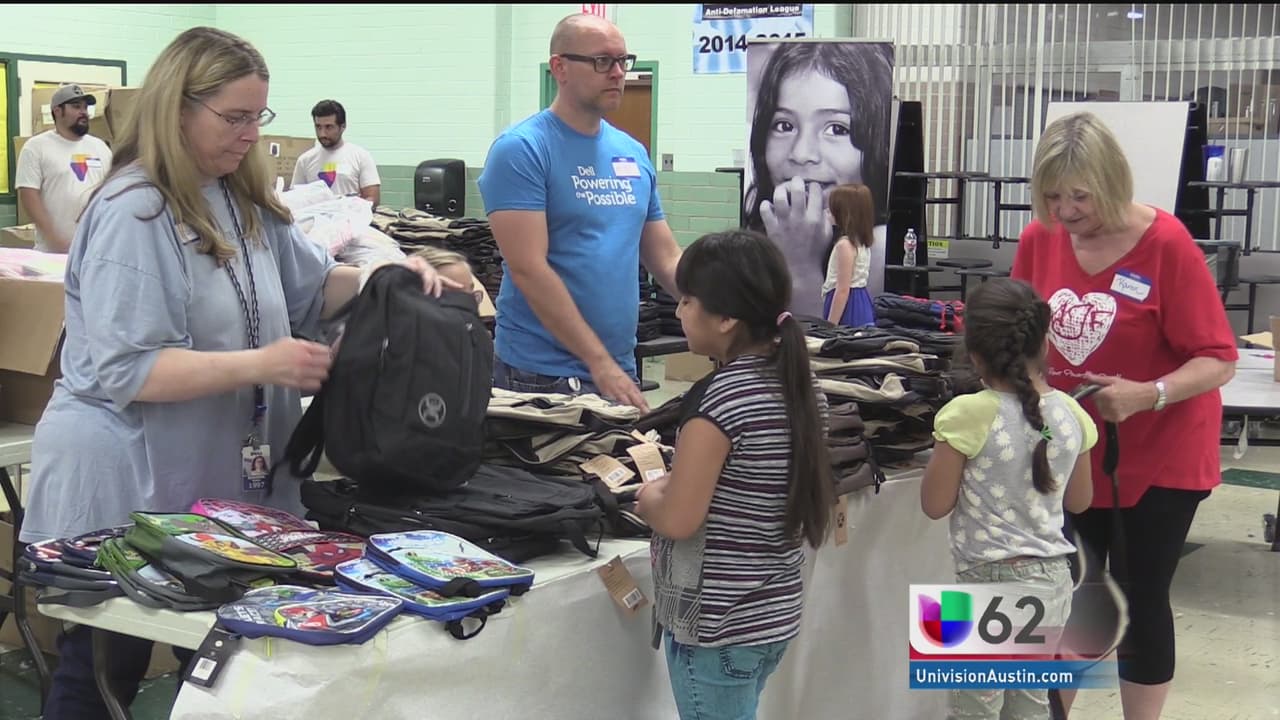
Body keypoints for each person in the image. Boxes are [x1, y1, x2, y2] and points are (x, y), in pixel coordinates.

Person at [19, 27, 455, 720]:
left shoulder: (236, 199)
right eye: (235, 117)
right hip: (128, 477)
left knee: (219, 664)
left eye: (259, 116)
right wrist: (264, 364)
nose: (252, 134)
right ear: (178, 109)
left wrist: (385, 275)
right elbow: (131, 369)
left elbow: (314, 289)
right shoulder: (135, 212)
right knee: (107, 660)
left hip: (213, 476)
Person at [1010, 111, 1237, 720]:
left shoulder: (1167, 245)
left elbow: (1218, 358)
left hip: (1161, 453)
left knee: (1138, 598)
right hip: (1069, 453)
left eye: (1080, 197)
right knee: (1063, 592)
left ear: (1111, 183)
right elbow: (1019, 336)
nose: (1065, 212)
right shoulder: (1039, 240)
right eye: (1052, 197)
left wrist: (1148, 393)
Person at [636, 228, 833, 720]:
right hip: (772, 614)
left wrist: (648, 497)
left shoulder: (720, 400)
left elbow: (679, 518)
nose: (678, 312)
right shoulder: (801, 385)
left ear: (726, 318)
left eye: (687, 301)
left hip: (718, 629)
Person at [478, 13, 682, 412]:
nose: (618, 73)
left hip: (617, 365)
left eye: (623, 61)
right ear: (560, 68)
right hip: (541, 372)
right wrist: (597, 361)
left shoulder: (632, 153)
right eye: (602, 61)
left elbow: (666, 257)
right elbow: (528, 269)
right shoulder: (522, 149)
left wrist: (726, 315)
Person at [921, 278, 1097, 720]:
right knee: (1031, 707)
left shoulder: (965, 414)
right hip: (1053, 581)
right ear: (1045, 345)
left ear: (975, 355)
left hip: (982, 581)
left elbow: (934, 504)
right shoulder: (1073, 413)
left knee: (971, 710)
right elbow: (1080, 502)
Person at [744, 41, 894, 313]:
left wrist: (800, 264)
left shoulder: (878, 246)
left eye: (837, 129)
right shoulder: (757, 229)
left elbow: (821, 334)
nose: (802, 154)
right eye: (784, 125)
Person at [15, 84, 113, 253]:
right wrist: (54, 239)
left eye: (85, 107)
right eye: (76, 107)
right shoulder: (36, 147)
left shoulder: (100, 147)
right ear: (58, 111)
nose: (83, 112)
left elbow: (112, 191)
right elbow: (29, 196)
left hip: (96, 249)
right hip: (52, 252)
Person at [291, 99, 381, 206]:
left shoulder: (361, 156)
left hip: (350, 216)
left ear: (343, 126)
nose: (322, 134)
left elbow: (372, 198)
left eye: (328, 127)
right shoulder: (304, 160)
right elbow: (295, 199)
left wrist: (350, 207)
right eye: (318, 127)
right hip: (315, 216)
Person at [822, 183, 876, 327]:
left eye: (832, 209)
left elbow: (842, 290)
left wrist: (830, 326)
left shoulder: (845, 245)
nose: (828, 212)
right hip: (860, 302)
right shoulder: (861, 243)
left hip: (848, 308)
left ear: (843, 213)